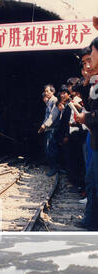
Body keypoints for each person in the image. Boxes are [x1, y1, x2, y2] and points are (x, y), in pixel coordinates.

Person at [75, 37, 98, 230]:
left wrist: (86, 118)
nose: (87, 66)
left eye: (90, 59)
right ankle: (90, 222)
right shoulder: (92, 84)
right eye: (83, 63)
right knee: (91, 181)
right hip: (94, 138)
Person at [38, 84, 60, 176]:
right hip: (49, 128)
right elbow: (46, 116)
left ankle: (54, 168)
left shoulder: (54, 100)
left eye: (48, 91)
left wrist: (44, 125)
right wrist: (43, 126)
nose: (46, 93)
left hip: (52, 128)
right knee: (49, 148)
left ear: (53, 91)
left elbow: (53, 115)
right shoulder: (49, 102)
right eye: (45, 91)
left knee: (50, 148)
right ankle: (53, 167)